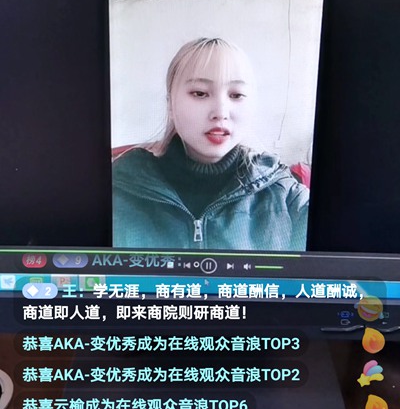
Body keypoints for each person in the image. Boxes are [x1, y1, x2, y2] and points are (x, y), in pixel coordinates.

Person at [112, 37, 309, 250]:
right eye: (200, 93)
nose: (221, 112)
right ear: (170, 104)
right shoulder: (118, 191)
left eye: (236, 95)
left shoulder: (285, 196)